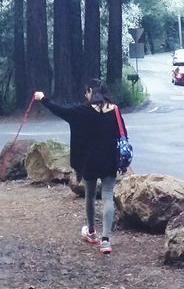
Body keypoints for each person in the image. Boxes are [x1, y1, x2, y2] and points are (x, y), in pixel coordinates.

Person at [32, 79, 127, 255]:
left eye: (86, 92)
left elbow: (60, 111)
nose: (86, 95)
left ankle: (91, 232)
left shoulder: (82, 111)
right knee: (107, 196)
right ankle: (105, 240)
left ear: (91, 91)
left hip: (89, 161)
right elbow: (123, 134)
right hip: (109, 160)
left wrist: (43, 98)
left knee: (90, 196)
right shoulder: (114, 110)